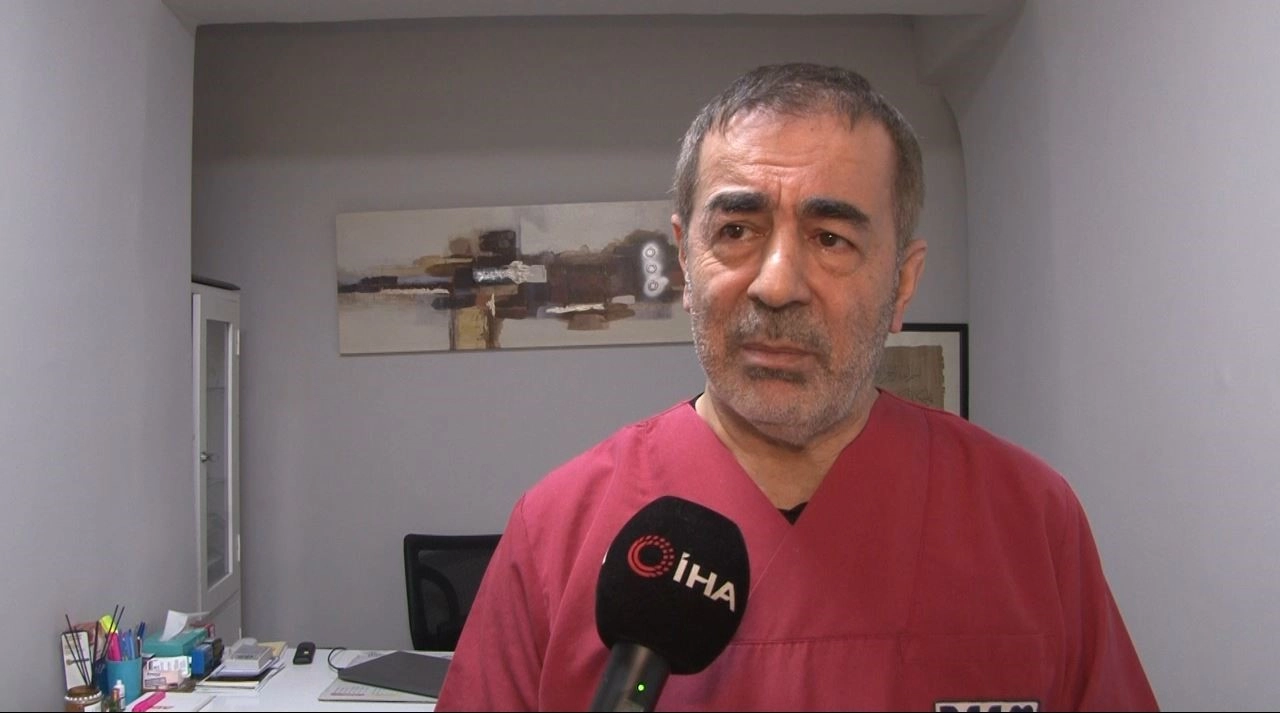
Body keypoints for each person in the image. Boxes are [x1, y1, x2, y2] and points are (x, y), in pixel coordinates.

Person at [436, 62, 1158, 711]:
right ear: (686, 264)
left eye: (831, 239)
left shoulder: (1030, 523)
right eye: (737, 231)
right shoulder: (558, 533)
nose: (777, 285)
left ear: (902, 281)